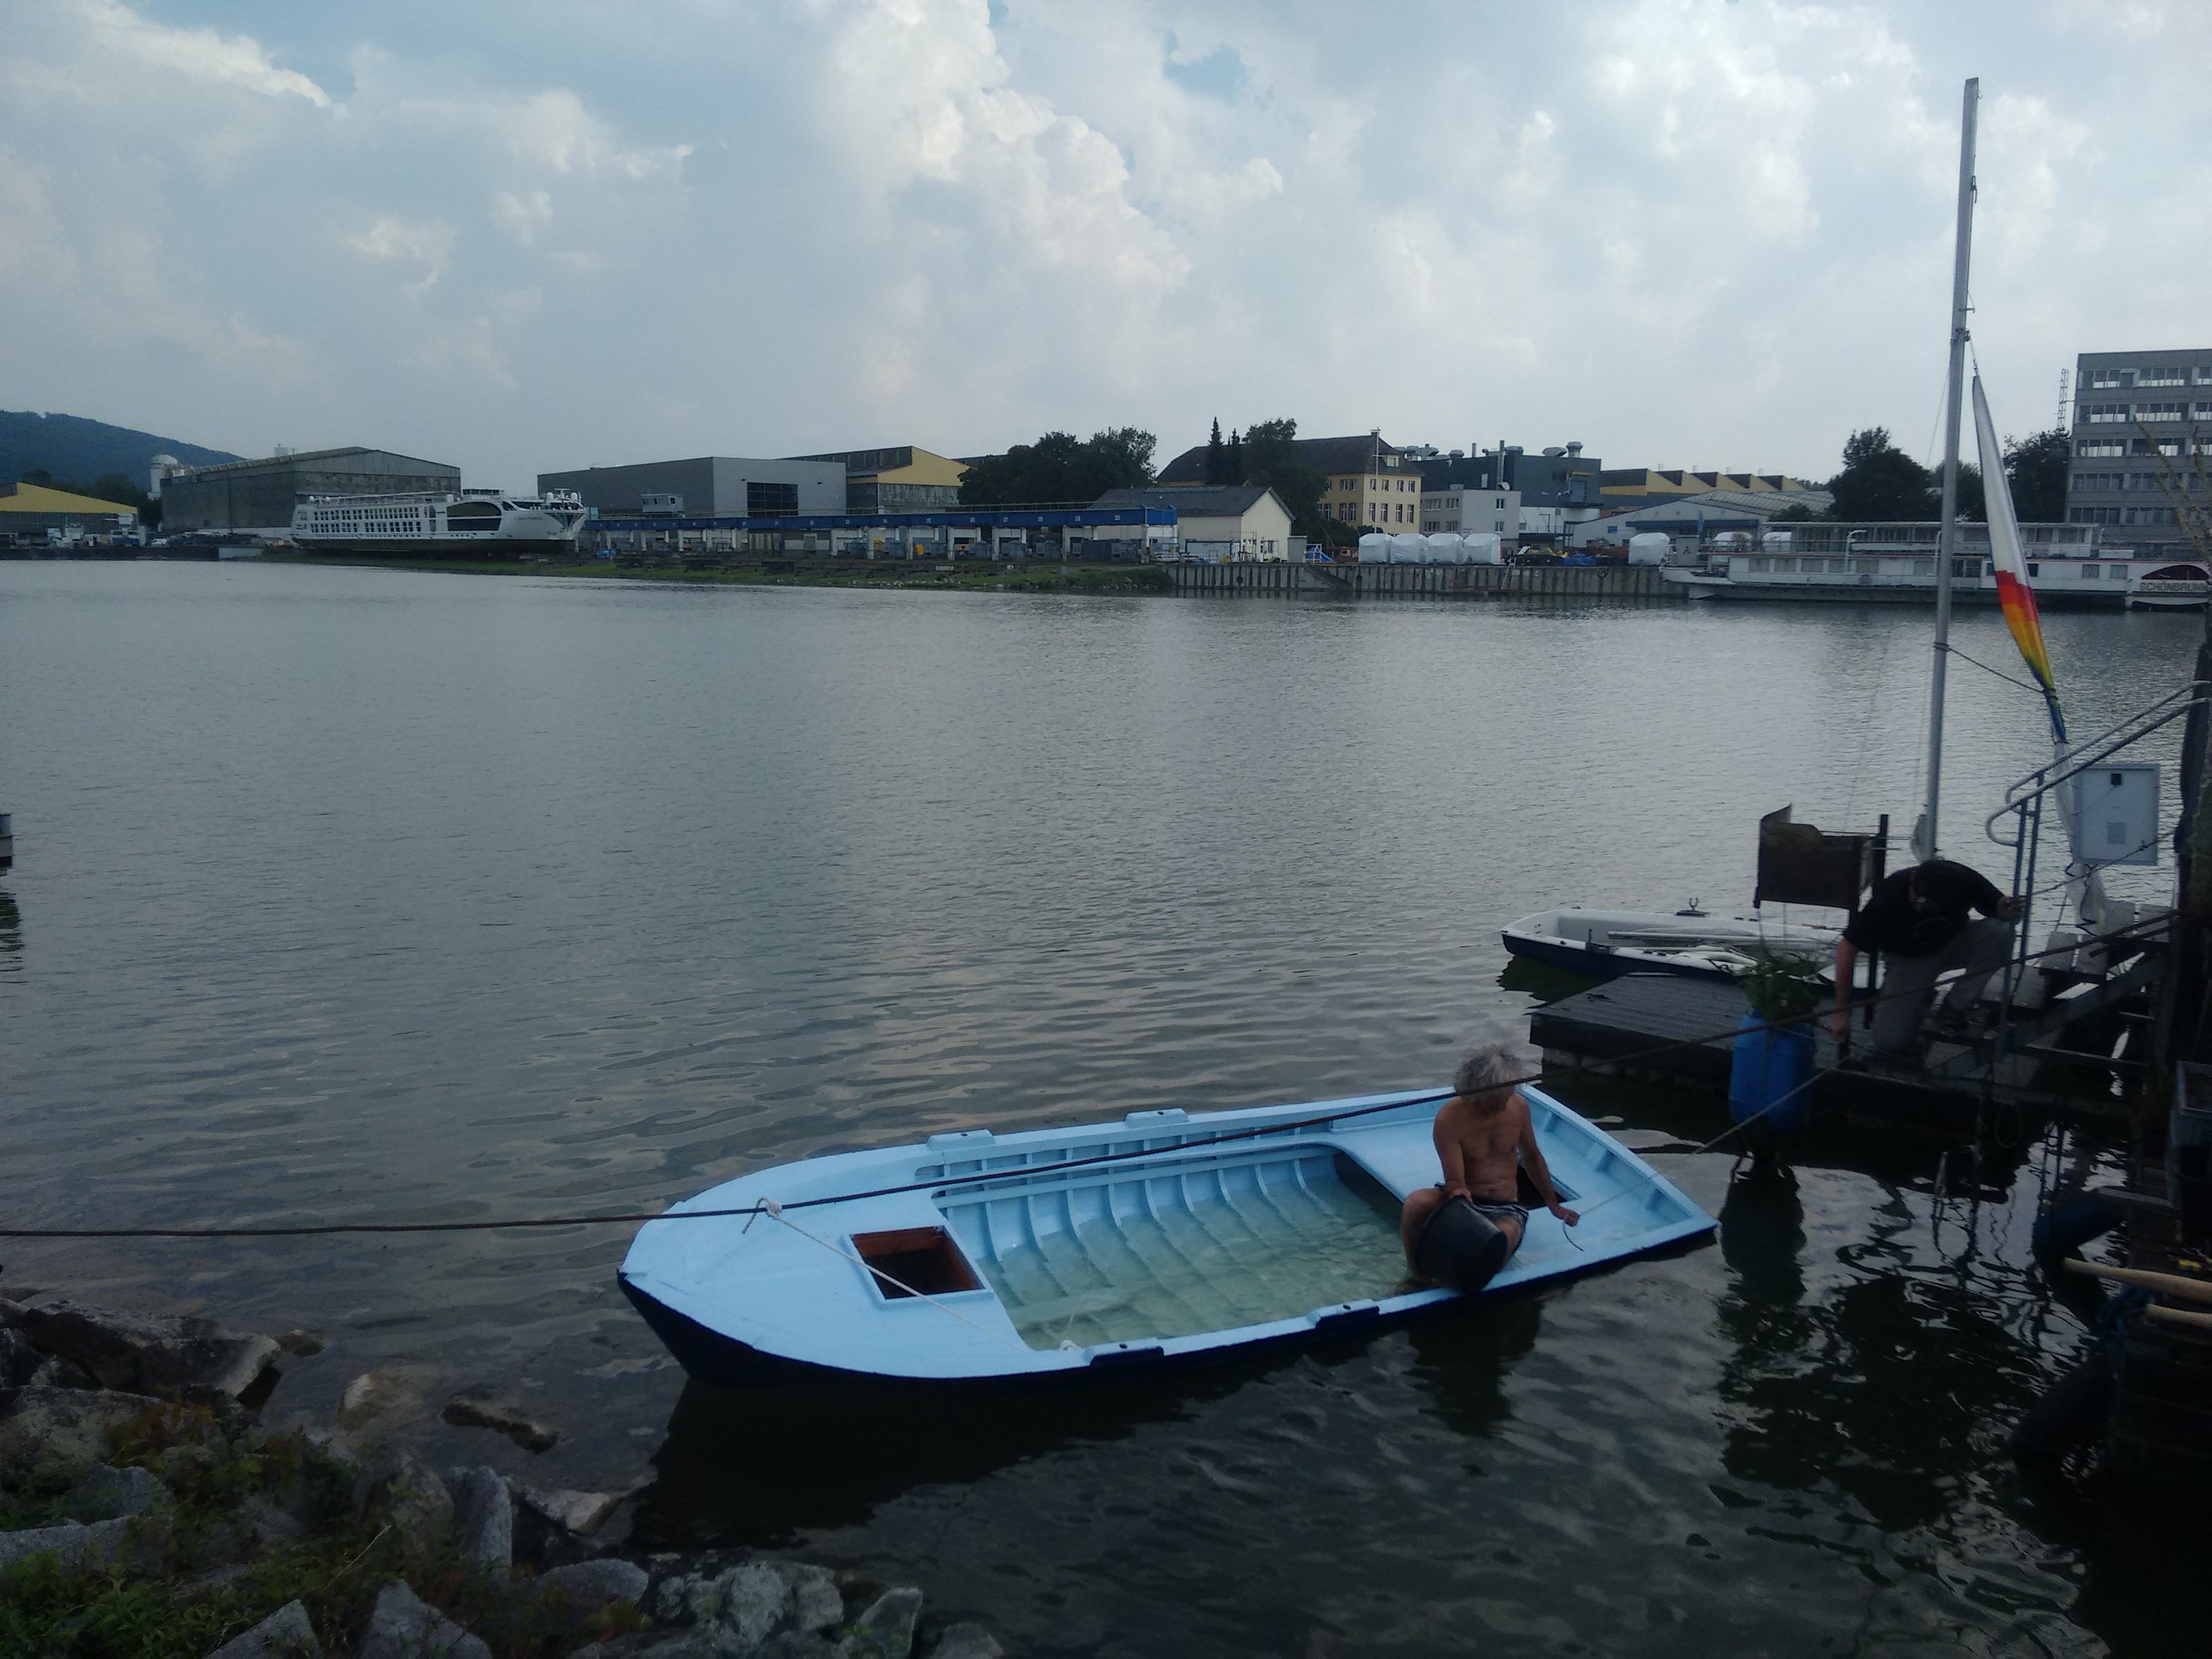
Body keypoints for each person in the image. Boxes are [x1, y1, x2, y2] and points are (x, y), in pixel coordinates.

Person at [1400, 1043, 1579, 1272]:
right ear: (1478, 1093)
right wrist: (1459, 1195)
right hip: (1465, 1199)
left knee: (1503, 1236)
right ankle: (1416, 1272)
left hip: (1506, 1207)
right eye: (1496, 1100)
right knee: (1416, 1204)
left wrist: (1554, 1206)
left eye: (1508, 1096)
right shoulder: (1450, 1118)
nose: (1504, 1104)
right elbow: (1455, 1181)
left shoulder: (1518, 1107)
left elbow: (1532, 1157)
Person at [1830, 858, 2020, 1054]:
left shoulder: (1966, 879)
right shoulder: (1890, 893)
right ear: (1913, 878)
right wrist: (1842, 1011)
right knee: (1890, 1041)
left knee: (2001, 932)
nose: (1921, 907)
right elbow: (1847, 948)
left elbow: (1999, 909)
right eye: (1919, 899)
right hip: (1909, 961)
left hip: (1955, 944)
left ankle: (1956, 1006)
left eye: (1931, 903)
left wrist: (2007, 910)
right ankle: (1920, 997)